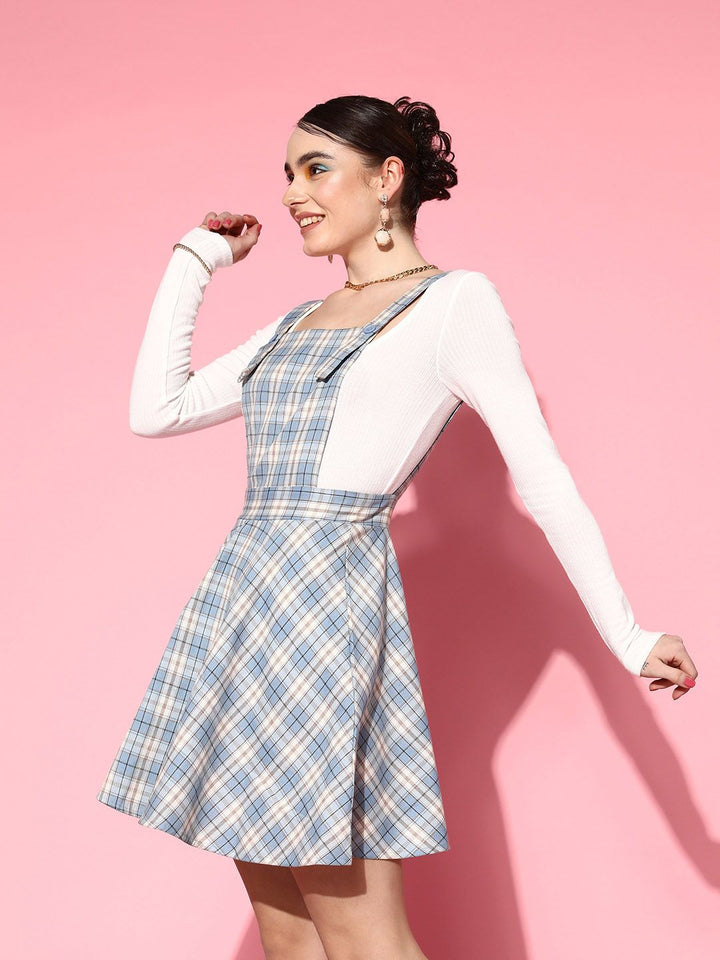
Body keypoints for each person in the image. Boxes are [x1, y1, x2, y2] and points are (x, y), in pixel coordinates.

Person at [96, 95, 697, 960]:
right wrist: (197, 258)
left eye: (316, 169)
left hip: (326, 618)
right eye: (288, 173)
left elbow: (545, 480)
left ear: (387, 179)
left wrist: (631, 636)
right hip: (243, 608)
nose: (293, 193)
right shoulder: (295, 321)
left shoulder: (455, 303)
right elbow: (157, 410)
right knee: (288, 937)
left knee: (364, 939)